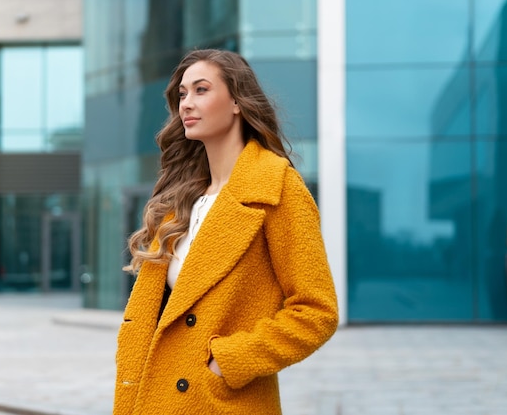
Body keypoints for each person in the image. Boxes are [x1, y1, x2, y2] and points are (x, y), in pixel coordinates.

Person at [113, 48, 338, 415]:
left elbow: (316, 311)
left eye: (201, 90)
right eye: (182, 94)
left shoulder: (275, 187)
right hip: (154, 396)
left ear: (237, 101)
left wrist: (228, 362)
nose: (186, 103)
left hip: (219, 401)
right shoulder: (179, 199)